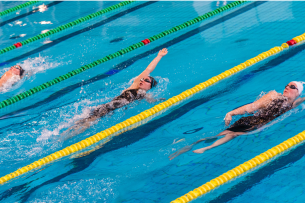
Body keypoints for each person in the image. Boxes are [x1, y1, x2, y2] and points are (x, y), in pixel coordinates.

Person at [169, 81, 305, 160]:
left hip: (256, 127)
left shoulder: (291, 105)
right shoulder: (274, 95)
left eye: (292, 87)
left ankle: (199, 146)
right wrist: (231, 113)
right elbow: (251, 107)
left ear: (298, 92)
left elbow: (301, 100)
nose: (287, 87)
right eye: (287, 85)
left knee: (225, 135)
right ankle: (194, 146)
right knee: (226, 135)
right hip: (250, 122)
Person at [63, 48, 168, 137]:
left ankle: (64, 135)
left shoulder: (145, 94)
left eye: (146, 81)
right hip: (107, 108)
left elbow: (151, 101)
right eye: (142, 79)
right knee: (86, 124)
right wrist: (159, 56)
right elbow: (148, 69)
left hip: (109, 109)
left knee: (83, 122)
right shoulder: (135, 86)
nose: (142, 80)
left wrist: (159, 101)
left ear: (150, 86)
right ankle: (64, 137)